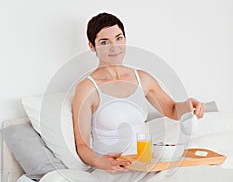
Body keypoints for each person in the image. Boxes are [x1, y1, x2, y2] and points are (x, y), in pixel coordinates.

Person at [72, 12, 205, 173]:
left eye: (119, 38)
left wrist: (188, 105)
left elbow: (172, 110)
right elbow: (82, 145)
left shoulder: (142, 78)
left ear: (125, 40)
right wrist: (99, 162)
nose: (114, 47)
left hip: (144, 165)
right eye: (104, 42)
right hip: (113, 170)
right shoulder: (87, 88)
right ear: (92, 46)